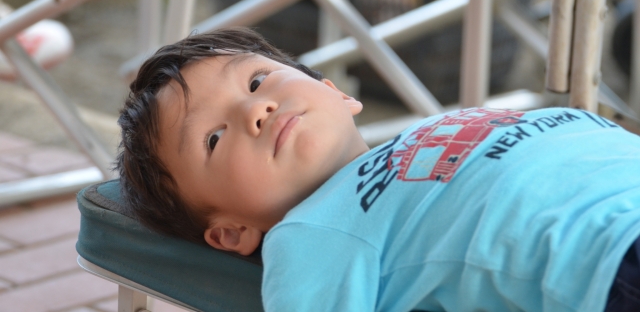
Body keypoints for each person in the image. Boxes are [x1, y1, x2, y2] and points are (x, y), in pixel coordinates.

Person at [117, 27, 640, 312]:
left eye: (256, 81)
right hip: (605, 260)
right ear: (232, 231)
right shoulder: (312, 232)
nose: (257, 109)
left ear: (337, 93)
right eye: (213, 138)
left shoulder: (431, 132)